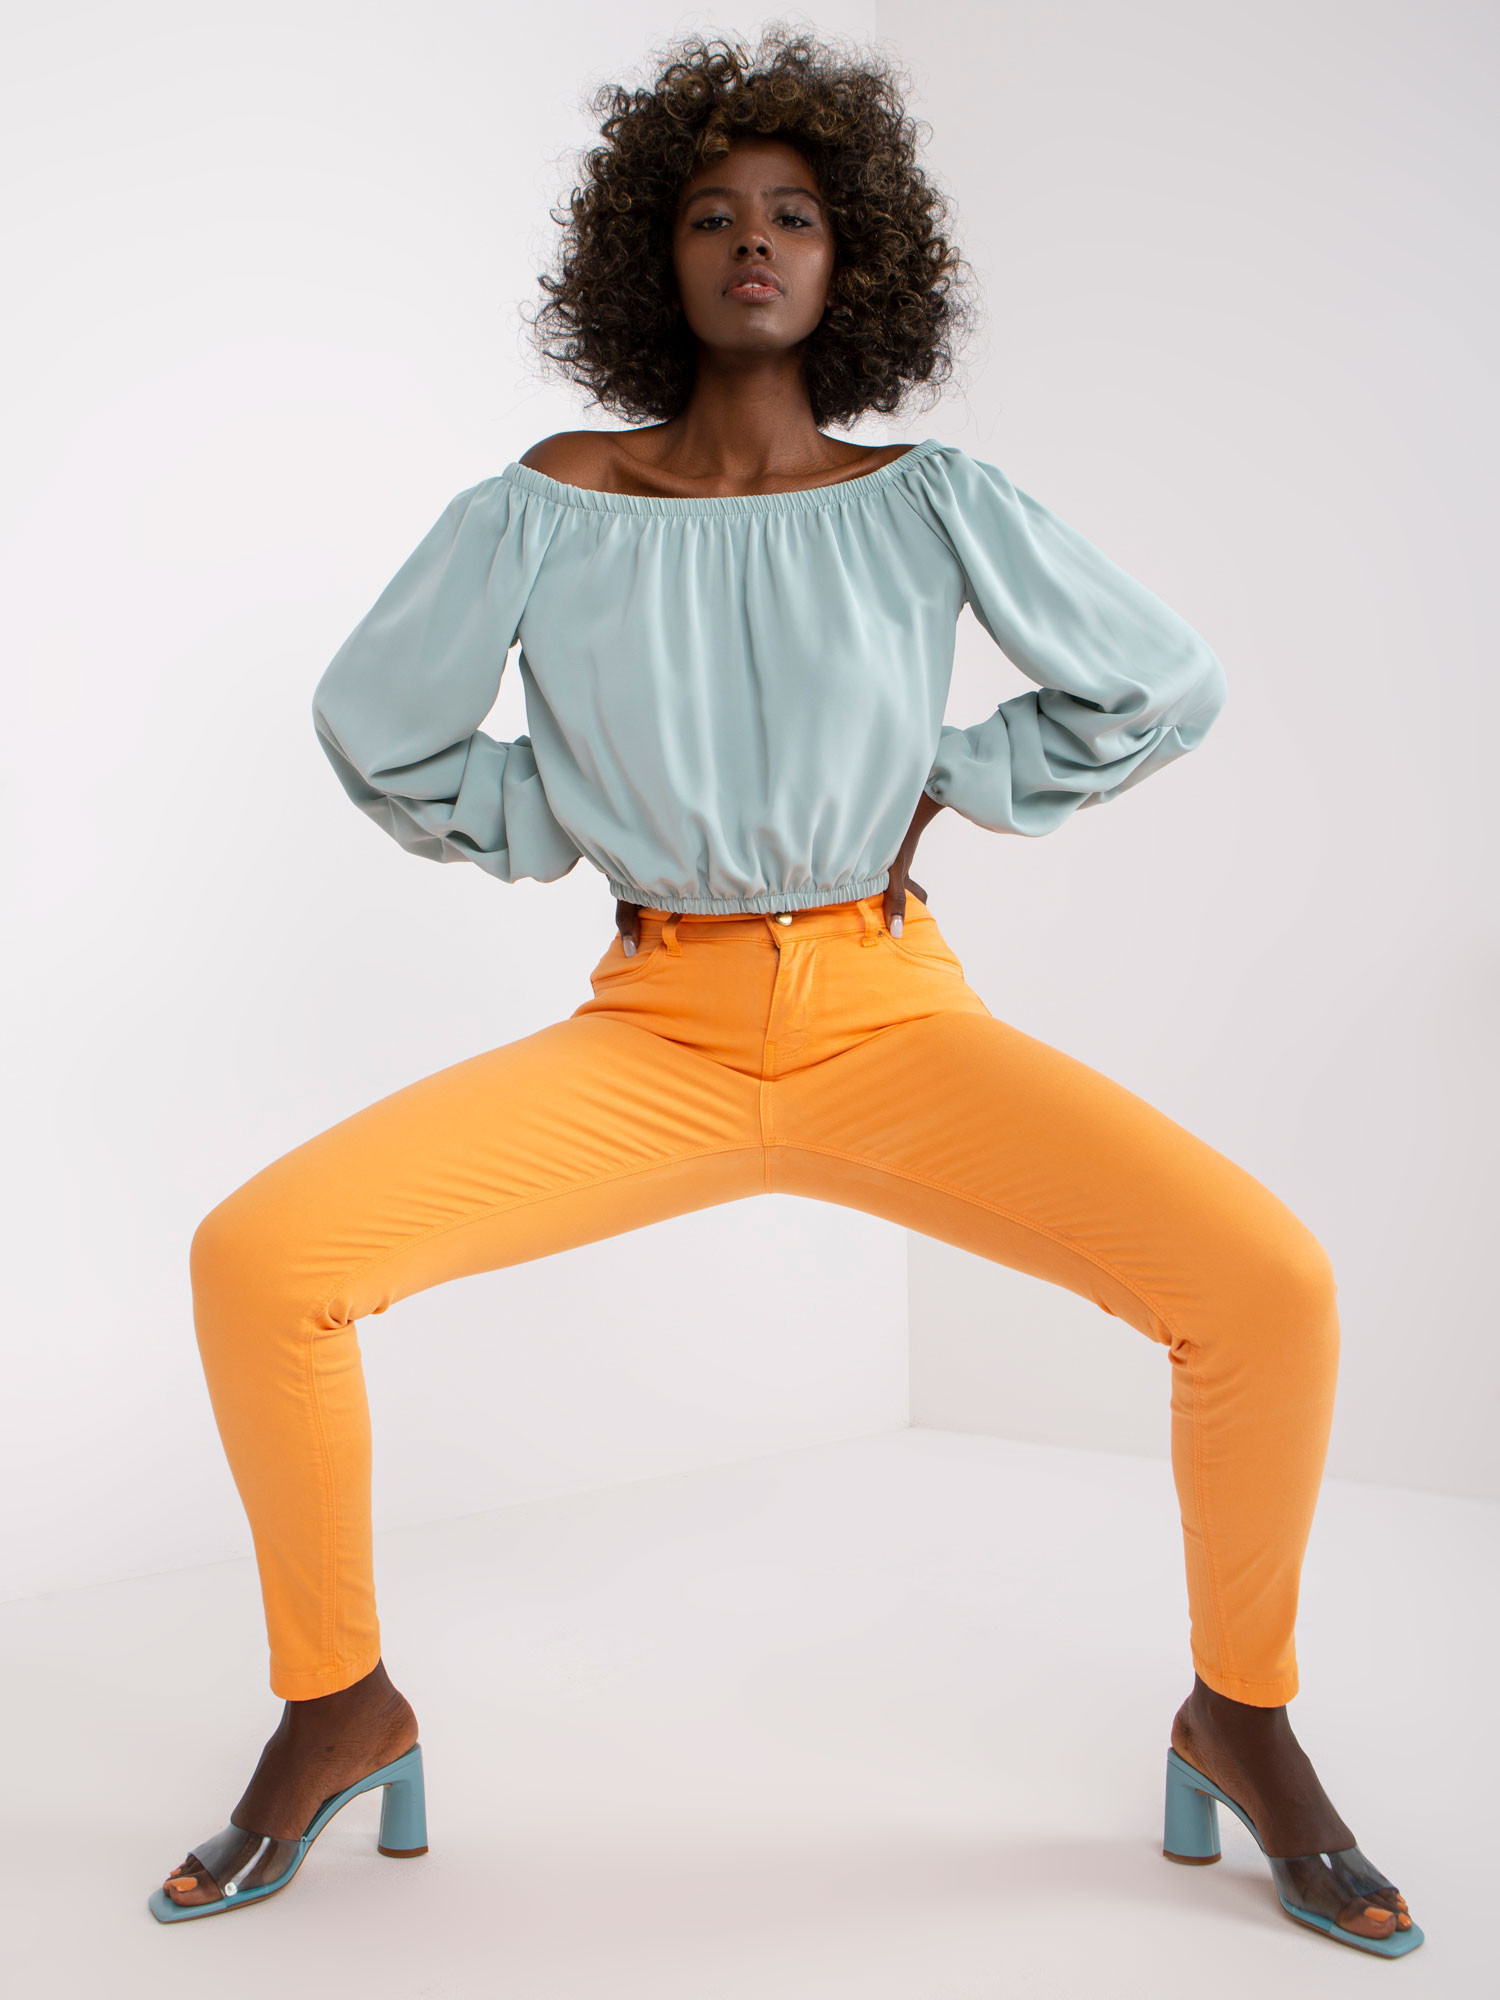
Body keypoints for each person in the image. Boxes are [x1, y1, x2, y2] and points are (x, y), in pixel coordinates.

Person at [152, 27, 1418, 1955]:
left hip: (892, 1013)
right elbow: (377, 724)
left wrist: (956, 774)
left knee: (1268, 1290)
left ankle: (1242, 1716)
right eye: (712, 213)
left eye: (797, 214)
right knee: (263, 1261)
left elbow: (1161, 682)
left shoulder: (926, 498)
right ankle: (338, 1705)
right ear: (647, 257)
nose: (755, 240)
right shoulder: (551, 501)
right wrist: (566, 812)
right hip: (654, 1028)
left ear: (854, 258)